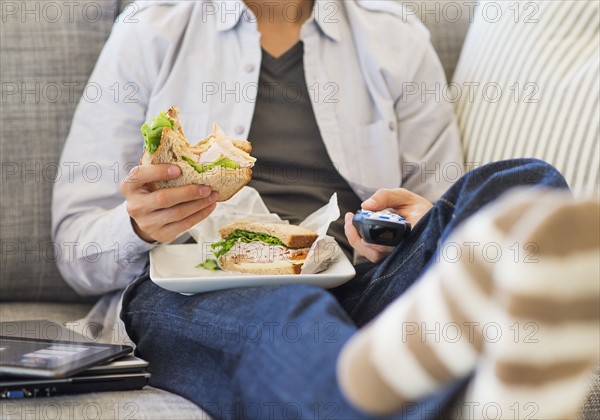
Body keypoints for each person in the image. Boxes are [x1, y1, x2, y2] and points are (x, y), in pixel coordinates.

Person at [51, 1, 598, 419]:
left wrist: (408, 227)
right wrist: (137, 226)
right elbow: (75, 247)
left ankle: (430, 351)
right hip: (200, 286)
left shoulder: (396, 36)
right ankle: (421, 374)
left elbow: (437, 209)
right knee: (289, 319)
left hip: (361, 279)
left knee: (520, 183)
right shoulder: (151, 28)